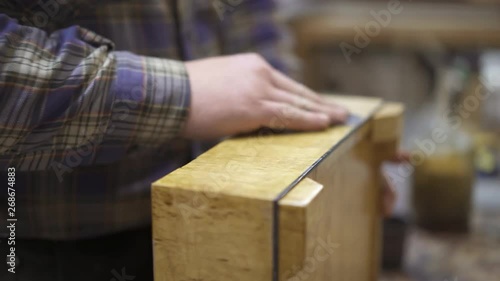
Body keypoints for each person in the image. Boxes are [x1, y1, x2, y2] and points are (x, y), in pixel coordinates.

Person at [0, 1, 398, 280]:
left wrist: (336, 162)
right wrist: (182, 92)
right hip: (40, 247)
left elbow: (253, 21)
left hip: (220, 224)